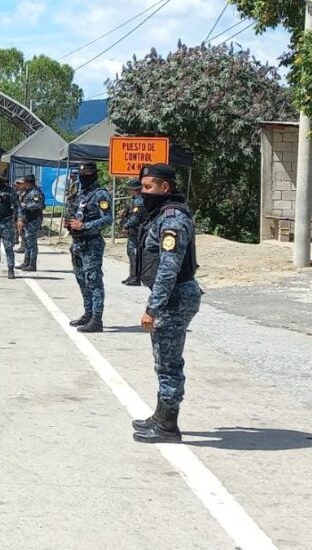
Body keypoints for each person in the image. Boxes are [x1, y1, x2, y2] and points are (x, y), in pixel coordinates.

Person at [131, 164, 201, 444]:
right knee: (163, 360)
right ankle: (161, 416)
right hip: (174, 296)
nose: (143, 192)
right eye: (142, 186)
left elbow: (168, 269)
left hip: (175, 298)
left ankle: (168, 426)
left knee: (168, 362)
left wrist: (153, 308)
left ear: (165, 188)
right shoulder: (162, 215)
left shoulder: (172, 219)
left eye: (148, 187)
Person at [65, 162, 113, 332]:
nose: (83, 179)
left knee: (94, 281)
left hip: (92, 243)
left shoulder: (101, 195)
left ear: (94, 176)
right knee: (81, 279)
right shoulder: (81, 194)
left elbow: (107, 219)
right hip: (77, 243)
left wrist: (84, 226)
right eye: (82, 176)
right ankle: (88, 313)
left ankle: (97, 319)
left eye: (87, 176)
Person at [18, 173, 45, 272]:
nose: (23, 184)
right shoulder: (26, 192)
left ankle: (32, 264)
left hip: (33, 219)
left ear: (28, 183)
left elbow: (38, 205)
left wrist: (25, 206)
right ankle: (26, 262)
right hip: (26, 219)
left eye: (24, 182)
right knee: (27, 241)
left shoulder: (35, 193)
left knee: (31, 243)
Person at [121, 178, 145, 285]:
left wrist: (126, 225)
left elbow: (136, 217)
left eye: (131, 189)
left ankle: (136, 277)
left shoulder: (139, 201)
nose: (130, 191)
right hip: (133, 232)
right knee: (131, 253)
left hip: (137, 231)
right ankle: (132, 275)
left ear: (136, 190)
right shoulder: (134, 200)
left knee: (135, 254)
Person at [13, 177, 27, 253]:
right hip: (18, 214)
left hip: (26, 216)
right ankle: (21, 245)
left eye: (19, 184)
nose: (17, 185)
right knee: (20, 230)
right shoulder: (18, 193)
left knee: (24, 231)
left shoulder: (28, 193)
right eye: (17, 184)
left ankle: (24, 247)